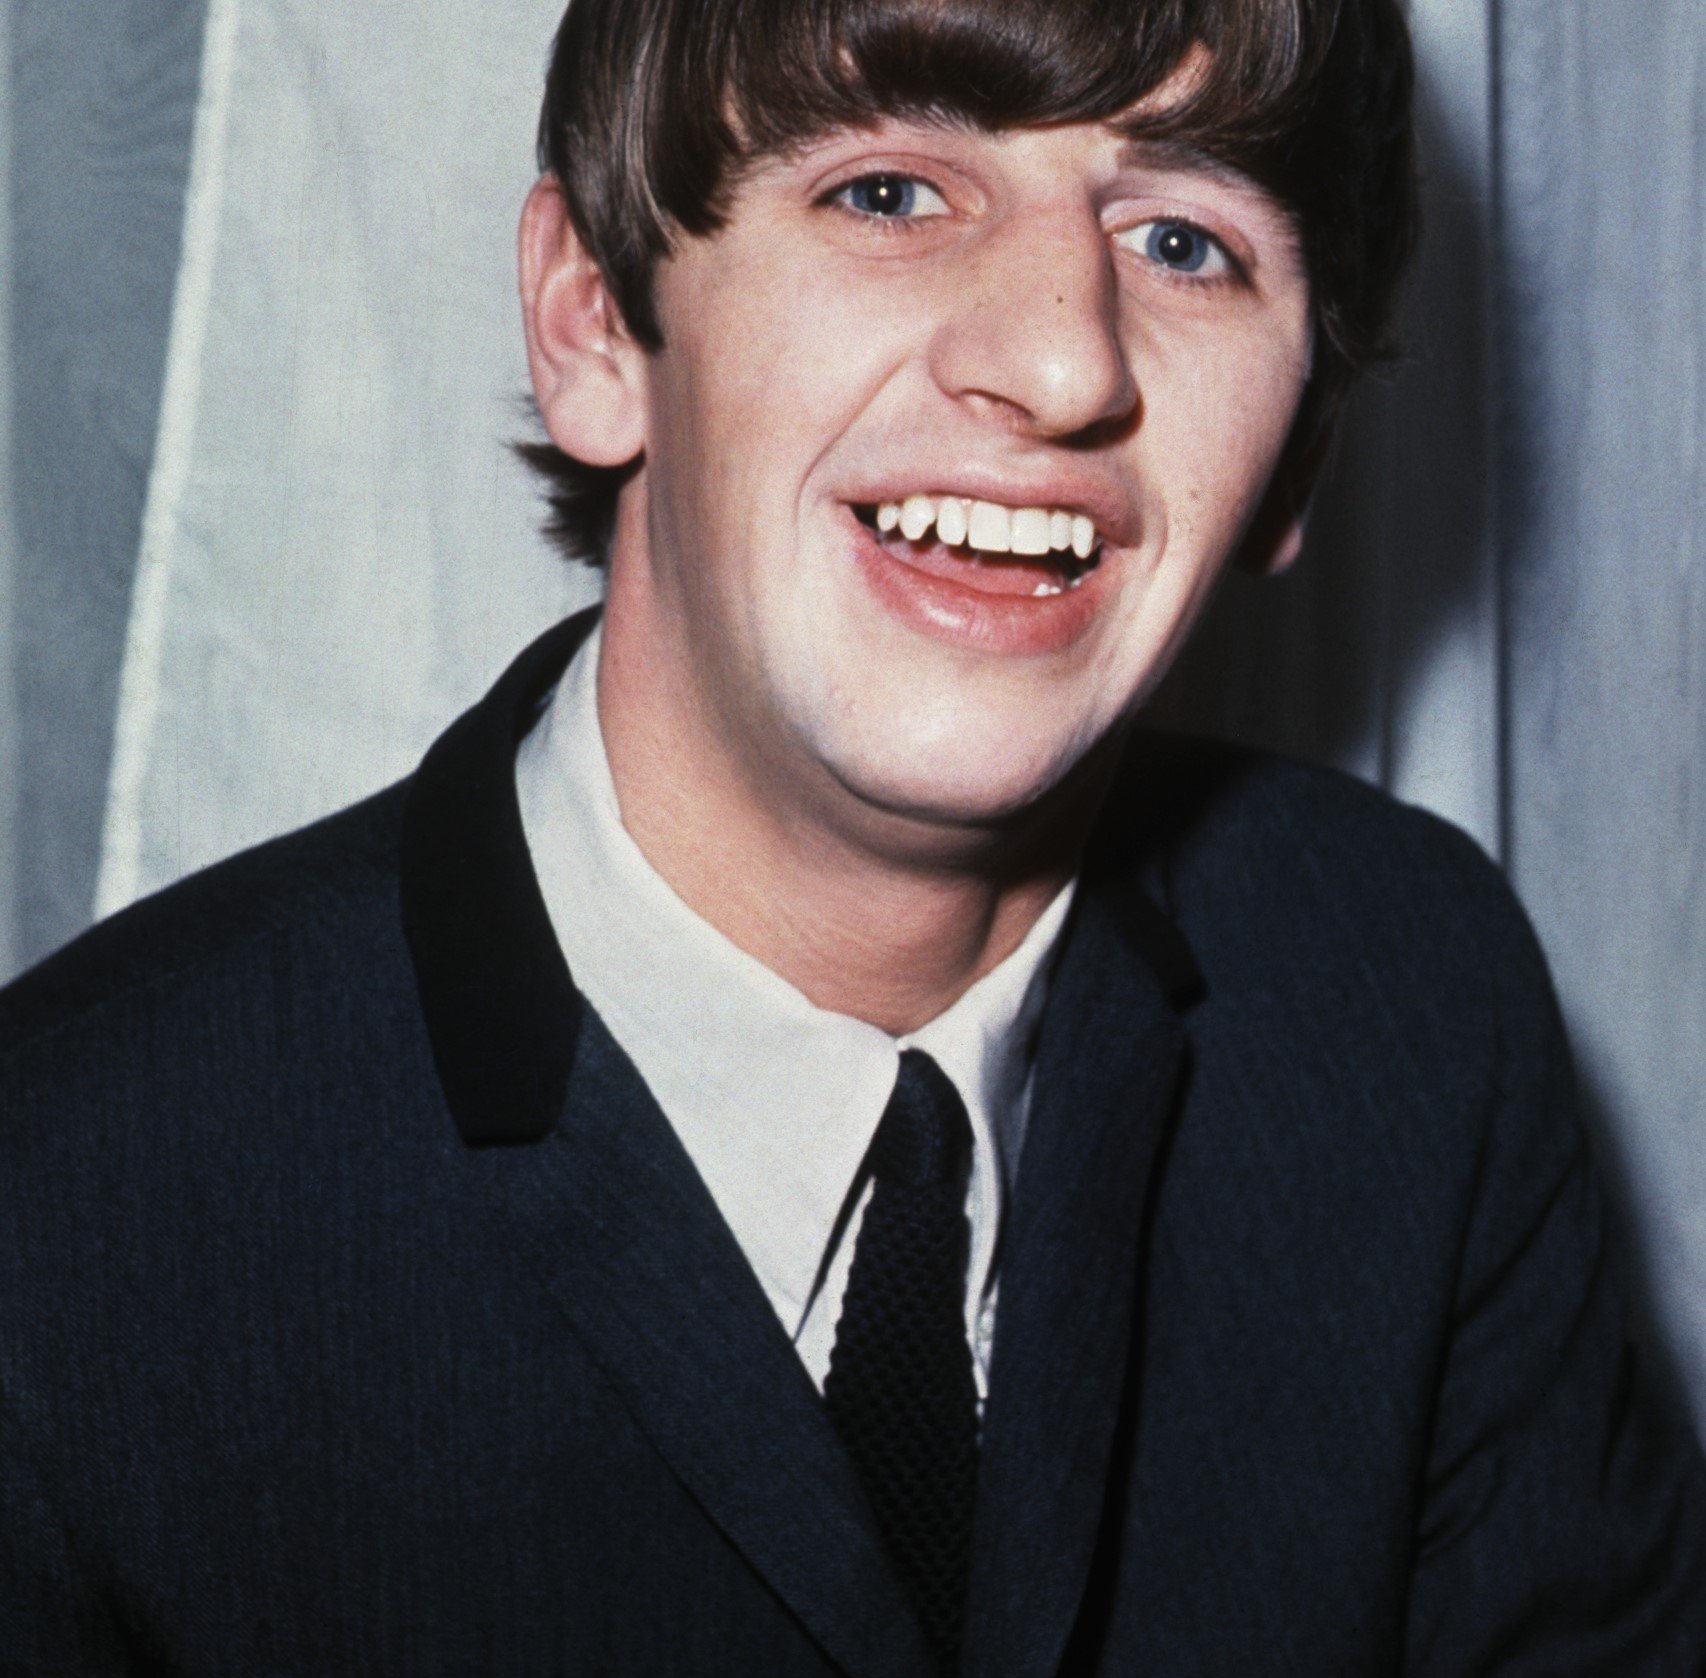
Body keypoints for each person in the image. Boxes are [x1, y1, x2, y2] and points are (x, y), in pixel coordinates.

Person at [2, 0, 1702, 1671]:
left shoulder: (1406, 1003)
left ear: (1296, 454)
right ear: (596, 321)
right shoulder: (67, 1214)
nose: (1059, 360)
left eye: (1185, 241)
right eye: (887, 194)